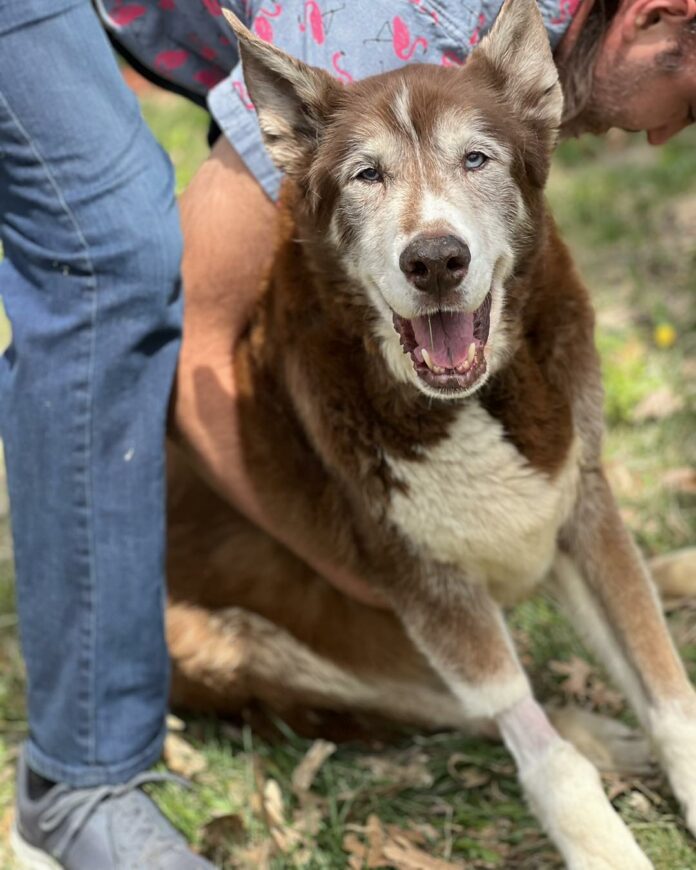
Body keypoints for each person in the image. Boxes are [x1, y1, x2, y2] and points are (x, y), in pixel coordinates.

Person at [1, 2, 693, 868]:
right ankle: (79, 783)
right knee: (110, 254)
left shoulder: (503, 62)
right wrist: (365, 561)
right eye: (688, 99)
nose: (667, 137)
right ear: (658, 18)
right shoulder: (370, 34)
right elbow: (193, 341)